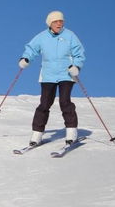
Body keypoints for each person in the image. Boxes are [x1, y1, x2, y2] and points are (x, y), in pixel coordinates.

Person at [18, 11, 85, 145]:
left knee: (65, 102)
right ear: (50, 23)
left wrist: (76, 66)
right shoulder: (42, 37)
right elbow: (31, 49)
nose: (59, 23)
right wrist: (26, 58)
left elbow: (79, 53)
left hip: (66, 74)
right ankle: (37, 134)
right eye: (56, 21)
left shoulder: (69, 35)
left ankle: (71, 132)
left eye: (61, 21)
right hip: (48, 75)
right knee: (44, 104)